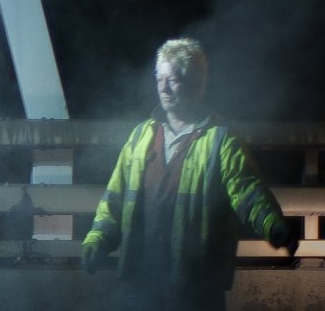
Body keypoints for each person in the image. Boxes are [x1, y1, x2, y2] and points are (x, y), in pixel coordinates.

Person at [81, 37, 299, 310]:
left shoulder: (221, 140)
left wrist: (272, 224)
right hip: (140, 281)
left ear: (197, 83)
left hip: (196, 287)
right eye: (159, 78)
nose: (164, 88)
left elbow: (247, 192)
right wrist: (97, 239)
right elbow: (115, 197)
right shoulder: (140, 136)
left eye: (173, 79)